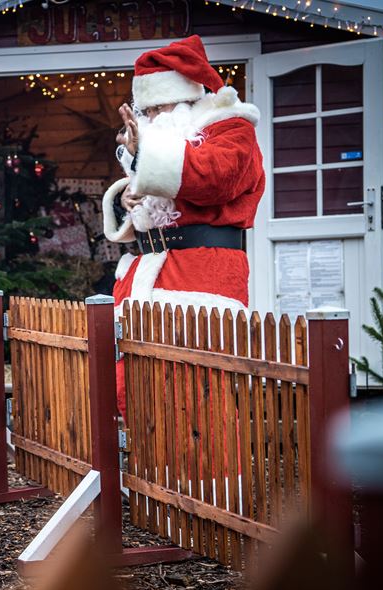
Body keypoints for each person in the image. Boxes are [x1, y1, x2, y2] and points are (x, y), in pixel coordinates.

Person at [102, 34, 265, 415]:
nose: (154, 117)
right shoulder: (162, 145)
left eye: (161, 106)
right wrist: (129, 198)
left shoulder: (231, 129)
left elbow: (212, 180)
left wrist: (145, 157)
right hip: (147, 273)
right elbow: (163, 194)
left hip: (201, 274)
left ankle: (206, 477)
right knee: (136, 391)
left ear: (189, 100)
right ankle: (141, 471)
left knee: (197, 396)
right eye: (149, 110)